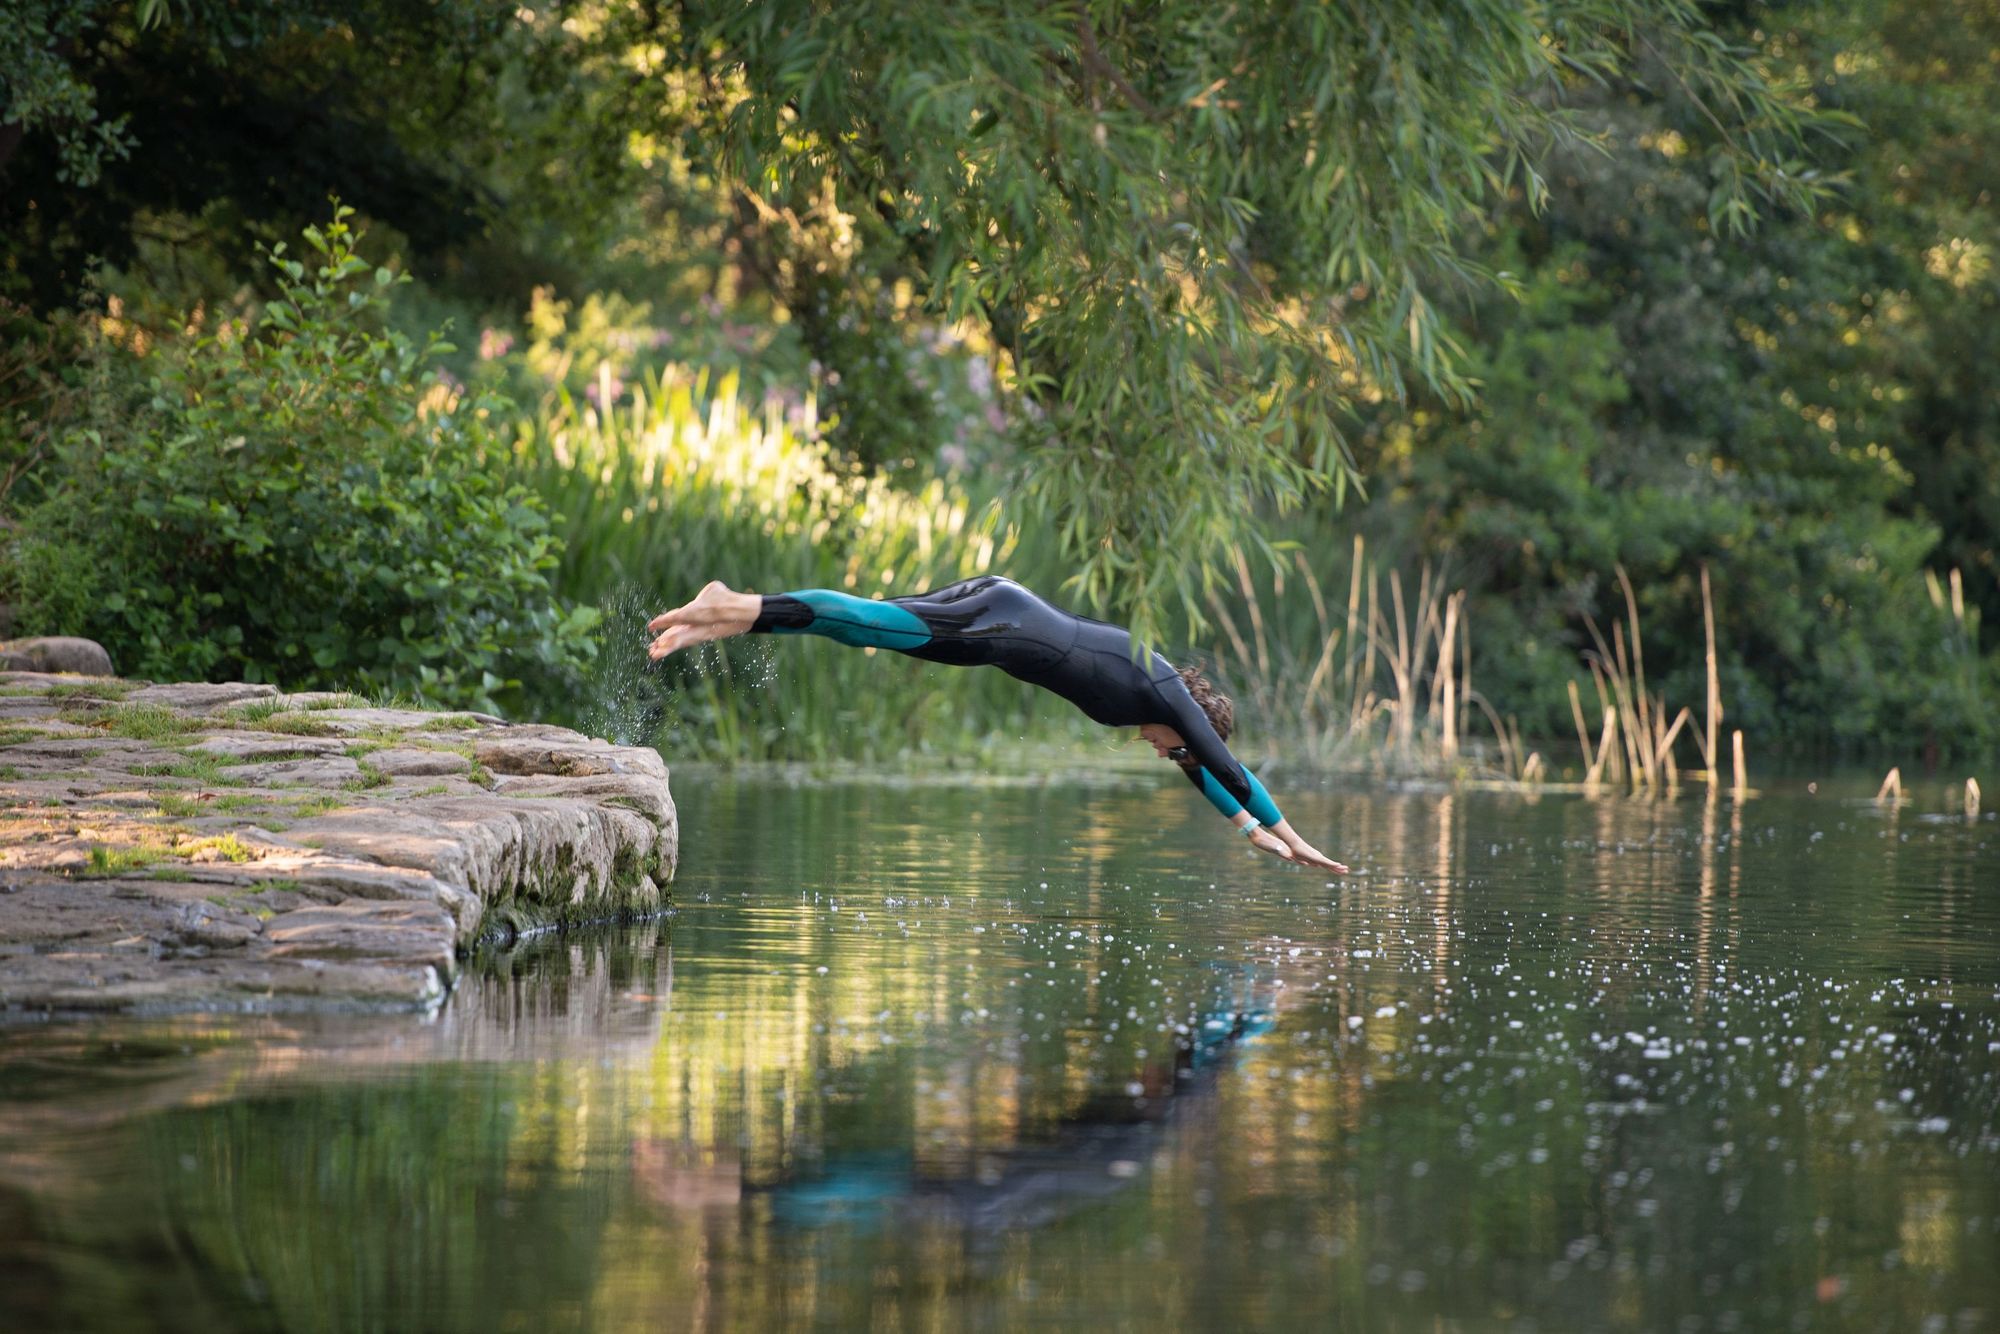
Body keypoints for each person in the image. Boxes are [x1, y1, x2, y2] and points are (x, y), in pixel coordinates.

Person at [646, 575, 1347, 870]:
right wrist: (1281, 837)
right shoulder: (1170, 698)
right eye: (1177, 752)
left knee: (863, 625)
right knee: (866, 621)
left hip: (1005, 616)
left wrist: (1263, 832)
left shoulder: (1160, 703)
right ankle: (733, 604)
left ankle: (725, 620)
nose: (1166, 755)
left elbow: (1212, 777)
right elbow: (1227, 771)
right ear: (1192, 729)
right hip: (1006, 625)